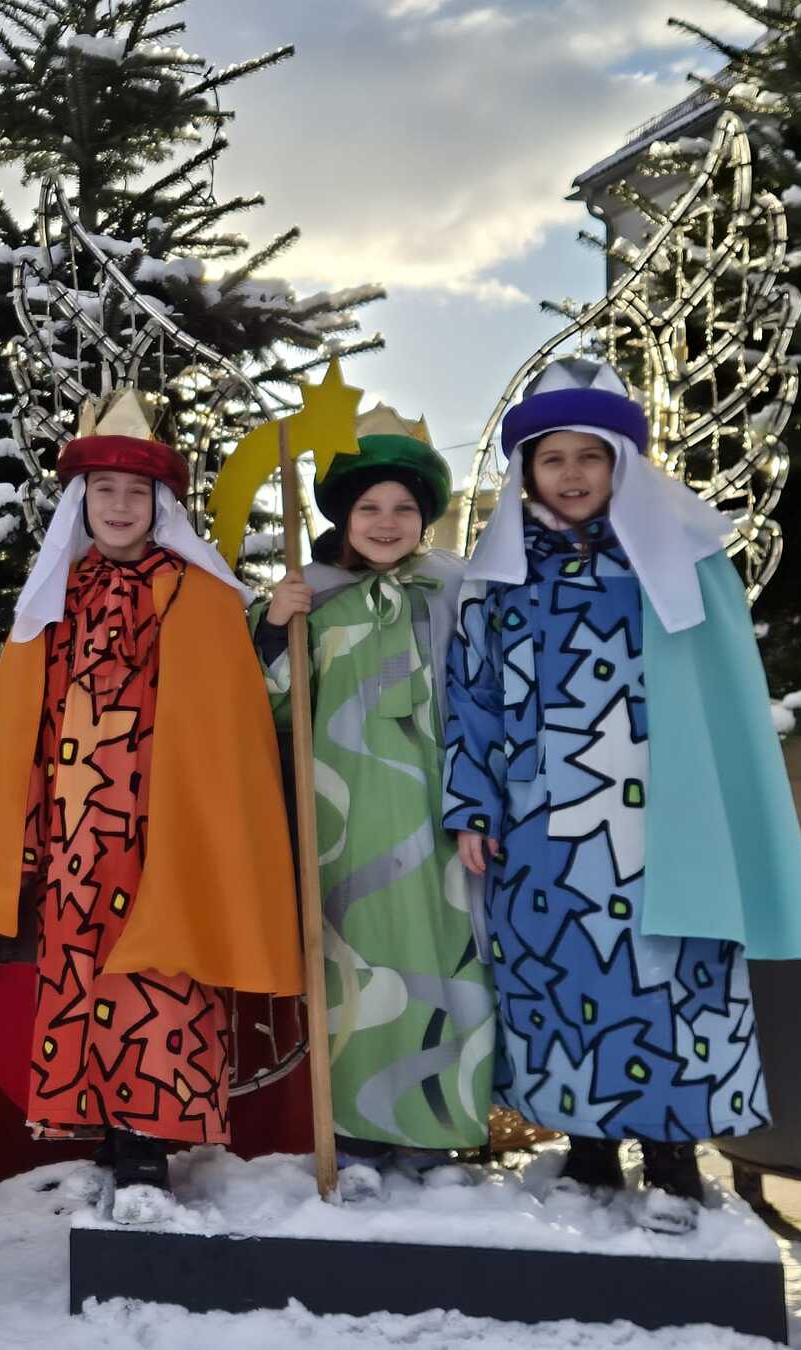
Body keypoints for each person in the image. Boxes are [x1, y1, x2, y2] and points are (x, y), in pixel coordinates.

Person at [442, 357, 801, 1231]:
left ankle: (672, 1157)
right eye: (553, 458)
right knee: (559, 971)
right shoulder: (496, 578)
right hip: (544, 822)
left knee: (669, 976)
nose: (572, 474)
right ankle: (586, 1149)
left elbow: (722, 695)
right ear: (527, 470)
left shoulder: (679, 561)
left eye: (591, 455)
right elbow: (472, 695)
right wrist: (472, 804)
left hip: (663, 817)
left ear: (622, 462)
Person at [0, 389, 302, 1223]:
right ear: (81, 501)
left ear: (159, 504)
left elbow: (233, 703)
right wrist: (31, 821)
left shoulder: (198, 594)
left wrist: (270, 628)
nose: (118, 505)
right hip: (76, 829)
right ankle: (110, 1130)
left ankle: (148, 1141)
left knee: (159, 973)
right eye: (102, 489)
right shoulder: (56, 594)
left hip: (163, 827)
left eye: (135, 492)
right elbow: (27, 718)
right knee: (81, 973)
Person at [255, 422, 494, 1199]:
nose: (387, 522)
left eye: (403, 508)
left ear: (425, 518)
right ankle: (355, 1135)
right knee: (353, 965)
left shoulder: (454, 590)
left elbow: (489, 692)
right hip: (345, 819)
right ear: (343, 518)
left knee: (445, 956)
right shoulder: (314, 600)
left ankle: (441, 1135)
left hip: (439, 810)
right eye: (369, 508)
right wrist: (274, 628)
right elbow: (273, 708)